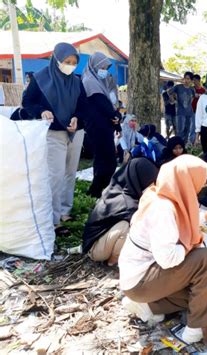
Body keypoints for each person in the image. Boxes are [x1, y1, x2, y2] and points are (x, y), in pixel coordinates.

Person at [118, 155, 207, 344]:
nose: (203, 185)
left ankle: (149, 307)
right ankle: (196, 328)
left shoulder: (163, 195)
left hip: (140, 278)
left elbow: (190, 222)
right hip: (141, 280)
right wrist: (190, 246)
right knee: (205, 259)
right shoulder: (163, 209)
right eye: (200, 180)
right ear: (187, 180)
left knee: (200, 295)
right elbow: (167, 259)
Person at [22, 42, 87, 234]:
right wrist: (42, 111)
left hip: (75, 133)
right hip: (53, 133)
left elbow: (83, 106)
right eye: (67, 61)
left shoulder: (76, 81)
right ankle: (52, 219)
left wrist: (77, 118)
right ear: (57, 59)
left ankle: (65, 211)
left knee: (70, 173)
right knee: (55, 176)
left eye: (74, 62)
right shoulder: (41, 78)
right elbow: (27, 102)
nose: (70, 65)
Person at [82, 158, 159, 266]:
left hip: (104, 239)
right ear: (138, 179)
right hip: (95, 248)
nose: (152, 187)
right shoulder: (125, 202)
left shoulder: (119, 189)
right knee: (130, 227)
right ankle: (113, 261)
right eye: (149, 183)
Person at [82, 52, 122, 198]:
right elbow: (102, 103)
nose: (105, 70)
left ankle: (100, 190)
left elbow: (111, 105)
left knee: (105, 159)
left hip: (105, 125)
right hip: (97, 126)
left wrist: (116, 117)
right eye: (103, 67)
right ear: (95, 66)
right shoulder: (89, 81)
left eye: (106, 67)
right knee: (107, 160)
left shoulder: (100, 82)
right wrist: (115, 116)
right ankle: (96, 190)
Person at [167, 72, 195, 145]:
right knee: (180, 130)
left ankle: (184, 146)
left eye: (188, 79)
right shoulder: (178, 87)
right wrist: (173, 100)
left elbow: (193, 97)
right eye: (185, 78)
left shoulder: (192, 89)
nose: (186, 80)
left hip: (189, 112)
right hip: (180, 112)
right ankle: (178, 145)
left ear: (191, 80)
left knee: (187, 130)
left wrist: (189, 104)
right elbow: (169, 92)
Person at [191, 74, 206, 144]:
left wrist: (200, 96)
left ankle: (198, 142)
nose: (194, 82)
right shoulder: (191, 89)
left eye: (195, 80)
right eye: (193, 81)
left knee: (200, 128)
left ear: (199, 81)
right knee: (193, 128)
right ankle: (192, 143)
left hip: (201, 112)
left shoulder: (204, 90)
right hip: (192, 111)